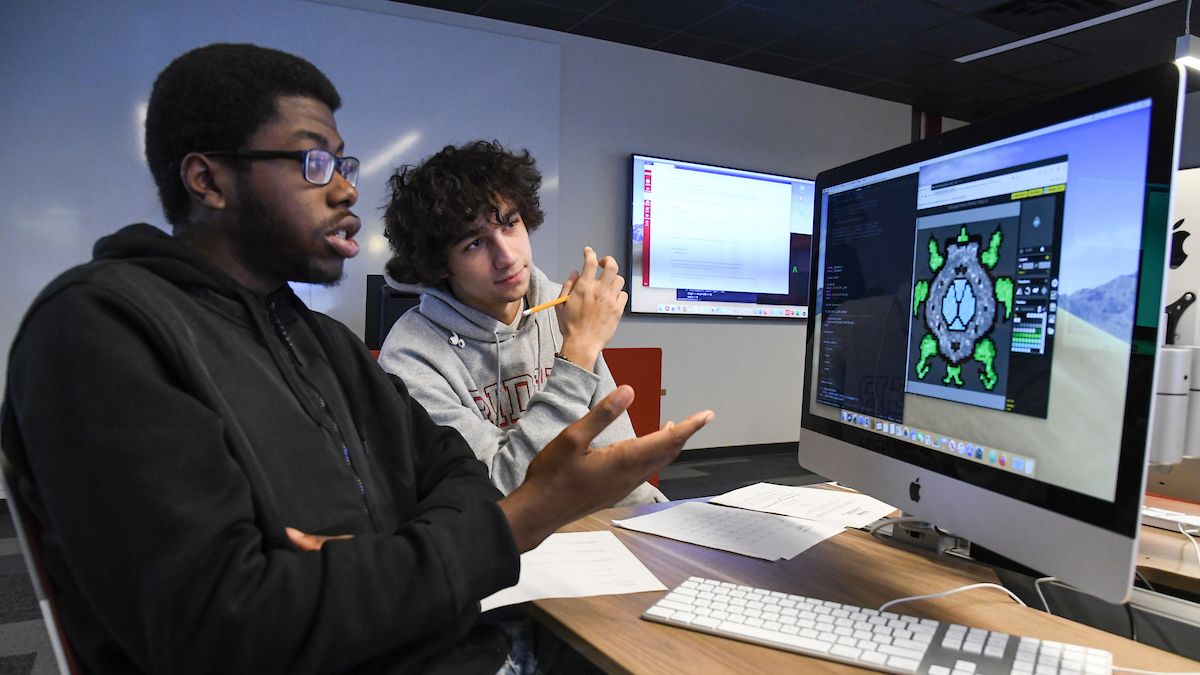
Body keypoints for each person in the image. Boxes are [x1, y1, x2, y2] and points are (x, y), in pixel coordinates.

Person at [0, 43, 711, 673]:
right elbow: (224, 625)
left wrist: (371, 555)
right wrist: (466, 534)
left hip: (457, 638)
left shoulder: (319, 340)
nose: (343, 187)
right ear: (208, 181)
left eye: (342, 161)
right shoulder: (99, 325)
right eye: (313, 161)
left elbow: (458, 478)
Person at [378, 141, 663, 505]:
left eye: (510, 224)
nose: (507, 257)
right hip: (512, 543)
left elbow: (615, 459)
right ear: (439, 264)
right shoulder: (411, 355)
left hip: (601, 527)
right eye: (474, 244)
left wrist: (648, 524)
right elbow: (499, 488)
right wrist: (576, 354)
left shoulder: (561, 309)